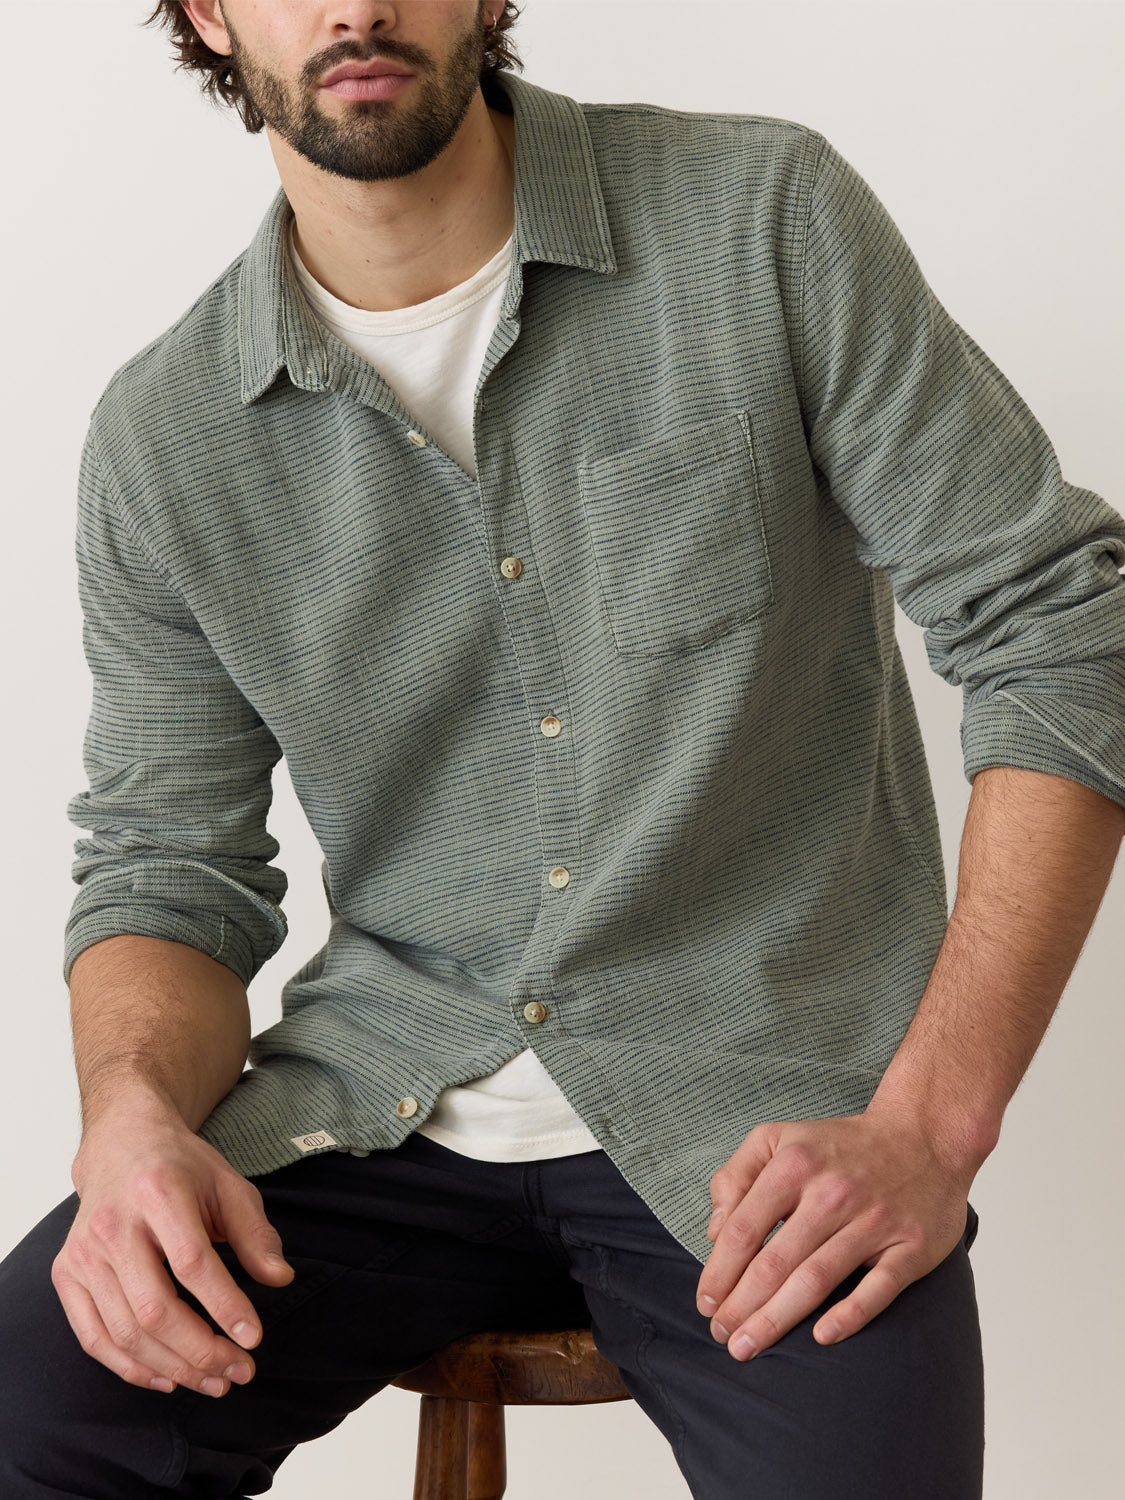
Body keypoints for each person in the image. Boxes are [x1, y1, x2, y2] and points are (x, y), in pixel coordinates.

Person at [2, 2, 1123, 1496]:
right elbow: (166, 866)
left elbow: (1057, 627)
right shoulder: (164, 438)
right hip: (374, 1104)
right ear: (205, 11)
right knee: (29, 1405)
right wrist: (129, 1121)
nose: (352, 7)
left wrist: (933, 1125)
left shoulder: (760, 221)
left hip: (766, 1111)